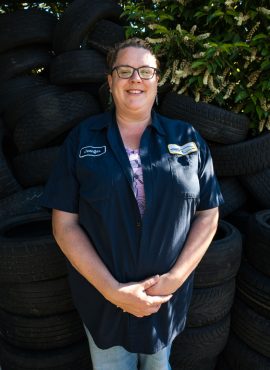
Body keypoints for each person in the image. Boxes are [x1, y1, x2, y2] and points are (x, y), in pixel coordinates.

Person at [40, 38, 224, 370]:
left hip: (165, 302)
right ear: (110, 81)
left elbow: (208, 215)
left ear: (157, 80)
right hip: (103, 302)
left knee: (158, 365)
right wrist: (113, 291)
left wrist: (174, 279)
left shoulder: (187, 139)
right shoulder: (82, 139)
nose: (135, 78)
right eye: (124, 71)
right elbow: (64, 225)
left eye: (145, 71)